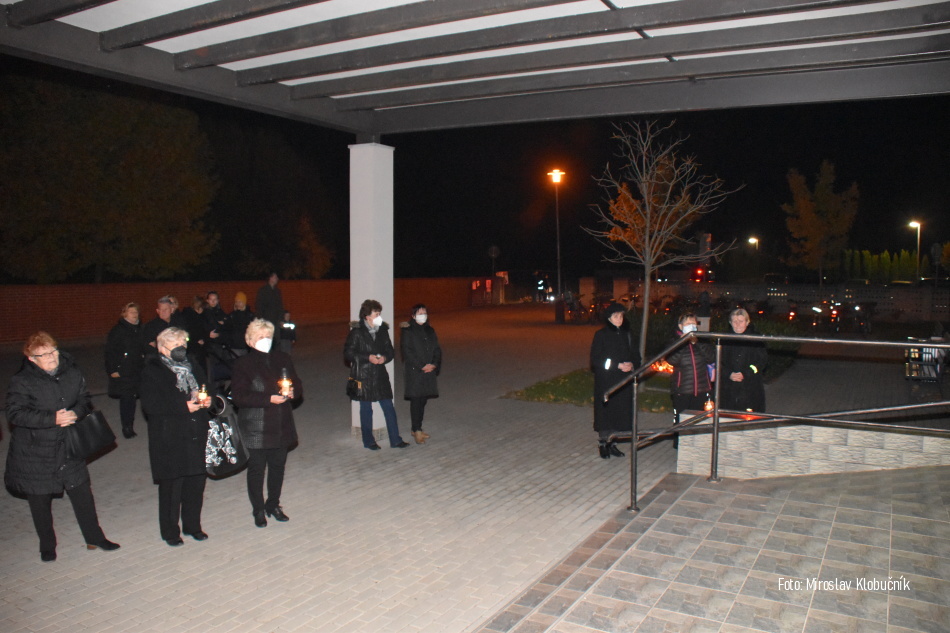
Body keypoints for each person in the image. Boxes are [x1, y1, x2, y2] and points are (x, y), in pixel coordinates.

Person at [5, 332, 120, 562]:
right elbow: (15, 413)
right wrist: (52, 419)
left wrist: (75, 413)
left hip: (69, 445)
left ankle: (94, 537)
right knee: (40, 501)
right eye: (44, 354)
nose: (51, 357)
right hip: (36, 451)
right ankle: (47, 545)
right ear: (31, 359)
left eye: (53, 351)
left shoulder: (72, 372)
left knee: (82, 493)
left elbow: (84, 400)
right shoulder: (22, 381)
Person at [139, 327, 212, 546]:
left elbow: (207, 386)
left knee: (196, 483)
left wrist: (208, 399)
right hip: (169, 436)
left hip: (195, 432)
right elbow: (151, 405)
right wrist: (183, 406)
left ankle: (193, 526)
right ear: (162, 348)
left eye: (183, 343)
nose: (181, 347)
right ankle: (170, 531)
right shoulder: (152, 370)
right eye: (175, 344)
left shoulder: (192, 364)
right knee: (172, 486)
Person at [231, 319, 302, 528]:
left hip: (280, 424)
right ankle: (258, 509)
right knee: (257, 470)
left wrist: (293, 392)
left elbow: (297, 383)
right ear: (250, 341)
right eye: (260, 337)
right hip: (257, 427)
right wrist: (268, 399)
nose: (265, 340)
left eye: (268, 336)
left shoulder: (282, 358)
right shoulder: (243, 364)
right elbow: (239, 396)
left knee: (278, 467)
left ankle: (273, 504)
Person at [344, 299, 410, 450]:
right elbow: (348, 353)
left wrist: (384, 358)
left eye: (380, 313)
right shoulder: (357, 332)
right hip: (364, 375)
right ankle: (369, 441)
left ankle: (395, 440)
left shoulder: (382, 330)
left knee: (388, 407)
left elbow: (390, 350)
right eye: (376, 314)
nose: (379, 317)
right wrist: (368, 357)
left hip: (380, 375)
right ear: (367, 316)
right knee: (366, 409)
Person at [590, 303, 641, 459]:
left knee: (619, 413)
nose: (619, 319)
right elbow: (596, 360)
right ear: (609, 318)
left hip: (623, 382)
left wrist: (632, 365)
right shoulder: (601, 335)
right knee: (606, 413)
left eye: (621, 316)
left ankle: (613, 444)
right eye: (616, 316)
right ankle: (603, 444)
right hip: (606, 381)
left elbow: (636, 355)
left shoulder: (627, 335)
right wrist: (616, 365)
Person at [667, 312, 715, 448]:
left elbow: (711, 357)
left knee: (699, 419)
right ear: (680, 326)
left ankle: (696, 447)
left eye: (693, 323)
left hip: (701, 387)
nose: (691, 326)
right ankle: (679, 446)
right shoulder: (673, 341)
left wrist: (696, 342)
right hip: (682, 388)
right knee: (681, 419)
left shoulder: (702, 340)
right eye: (688, 323)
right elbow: (672, 360)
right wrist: (682, 343)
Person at [400, 304, 442, 444]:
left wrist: (434, 364)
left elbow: (436, 349)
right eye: (419, 313)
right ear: (413, 316)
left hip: (428, 371)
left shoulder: (430, 330)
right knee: (416, 400)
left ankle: (417, 428)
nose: (422, 315)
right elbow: (407, 351)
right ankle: (416, 429)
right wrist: (421, 366)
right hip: (416, 371)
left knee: (423, 399)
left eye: (424, 312)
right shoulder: (408, 331)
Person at [104, 302, 145, 439]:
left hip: (138, 369)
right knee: (127, 399)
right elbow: (110, 352)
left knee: (134, 397)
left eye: (136, 312)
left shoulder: (140, 329)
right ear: (124, 314)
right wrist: (113, 369)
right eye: (131, 312)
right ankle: (127, 427)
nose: (135, 314)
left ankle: (132, 424)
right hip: (125, 369)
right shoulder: (118, 330)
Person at [720, 308, 767, 412]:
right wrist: (728, 374)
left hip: (750, 386)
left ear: (747, 322)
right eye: (734, 321)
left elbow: (761, 362)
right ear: (730, 322)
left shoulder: (756, 339)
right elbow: (718, 362)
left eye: (741, 321)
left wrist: (745, 373)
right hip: (728, 387)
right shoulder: (723, 339)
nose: (737, 325)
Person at [221, 291, 255, 357]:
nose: (238, 304)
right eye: (236, 302)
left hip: (246, 347)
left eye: (240, 302)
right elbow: (227, 330)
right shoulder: (231, 316)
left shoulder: (250, 316)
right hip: (234, 346)